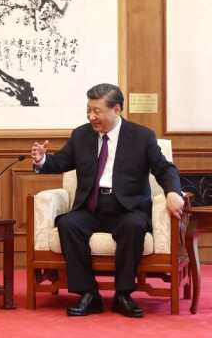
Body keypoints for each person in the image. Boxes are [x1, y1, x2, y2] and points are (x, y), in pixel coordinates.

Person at [30, 83, 184, 318]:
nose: (91, 116)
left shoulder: (141, 136)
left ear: (116, 109)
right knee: (69, 224)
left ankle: (123, 294)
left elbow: (164, 168)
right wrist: (42, 160)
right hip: (91, 207)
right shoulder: (81, 134)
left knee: (133, 227)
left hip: (126, 208)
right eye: (88, 110)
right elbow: (61, 162)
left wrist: (173, 192)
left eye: (97, 111)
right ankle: (89, 294)